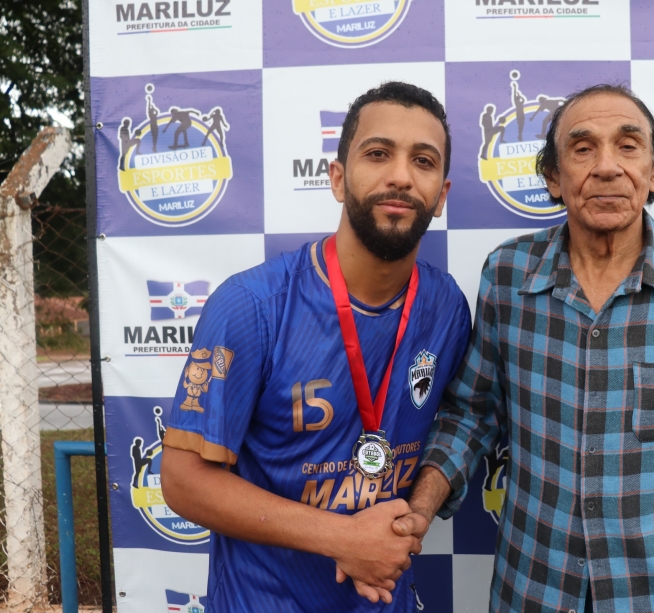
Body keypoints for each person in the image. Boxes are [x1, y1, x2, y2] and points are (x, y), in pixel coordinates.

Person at [391, 84, 654, 613]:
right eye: (582, 148)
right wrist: (420, 507)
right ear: (553, 178)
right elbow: (471, 413)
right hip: (534, 588)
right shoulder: (508, 275)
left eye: (628, 146)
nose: (606, 167)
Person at [160, 82, 472, 612]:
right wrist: (343, 538)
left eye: (422, 161)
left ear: (440, 195)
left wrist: (416, 512)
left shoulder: (446, 307)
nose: (400, 175)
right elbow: (183, 481)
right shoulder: (251, 305)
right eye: (377, 154)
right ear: (337, 178)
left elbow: (463, 419)